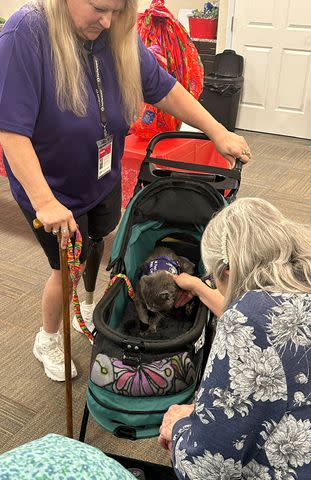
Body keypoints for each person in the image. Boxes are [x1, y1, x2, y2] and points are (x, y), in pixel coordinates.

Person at [0, 0, 252, 382]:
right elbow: (10, 130)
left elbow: (165, 89)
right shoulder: (26, 32)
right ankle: (48, 338)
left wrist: (217, 131)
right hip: (50, 188)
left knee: (97, 240)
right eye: (99, 8)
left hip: (101, 173)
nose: (107, 21)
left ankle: (86, 306)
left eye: (117, 11)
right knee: (64, 268)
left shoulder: (112, 33)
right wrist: (45, 201)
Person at [159, 197, 311, 480]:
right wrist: (197, 286)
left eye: (212, 275)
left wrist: (181, 425)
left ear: (227, 269)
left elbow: (203, 469)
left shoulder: (250, 318)